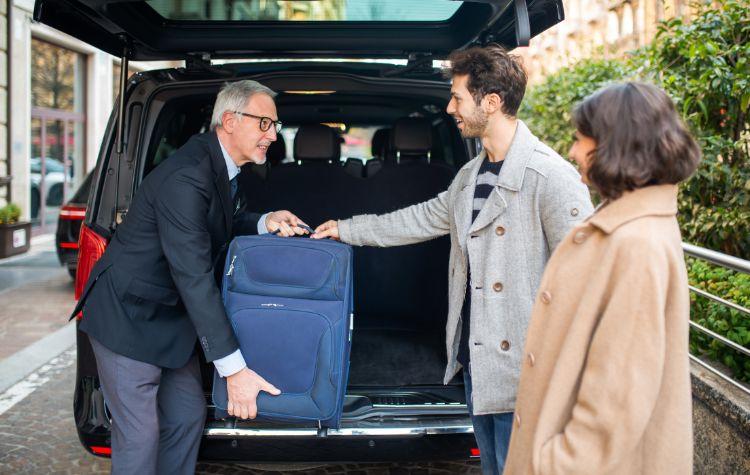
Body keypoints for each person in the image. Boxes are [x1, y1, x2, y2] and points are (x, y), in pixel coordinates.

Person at [312, 45, 593, 474]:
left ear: (492, 102)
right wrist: (346, 228)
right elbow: (420, 219)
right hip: (476, 363)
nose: (450, 107)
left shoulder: (549, 177)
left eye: (458, 97)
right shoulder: (469, 176)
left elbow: (587, 279)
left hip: (529, 375)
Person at [72, 80, 309, 474]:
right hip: (127, 318)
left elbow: (218, 223)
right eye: (265, 123)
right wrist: (235, 371)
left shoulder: (222, 165)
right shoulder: (188, 175)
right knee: (141, 434)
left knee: (184, 417)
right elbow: (194, 275)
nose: (273, 135)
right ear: (230, 121)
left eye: (275, 125)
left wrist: (266, 222)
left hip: (169, 319)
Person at [502, 82, 701, 475]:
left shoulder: (635, 244)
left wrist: (553, 464)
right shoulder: (632, 227)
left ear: (615, 145)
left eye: (580, 139)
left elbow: (617, 400)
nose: (573, 151)